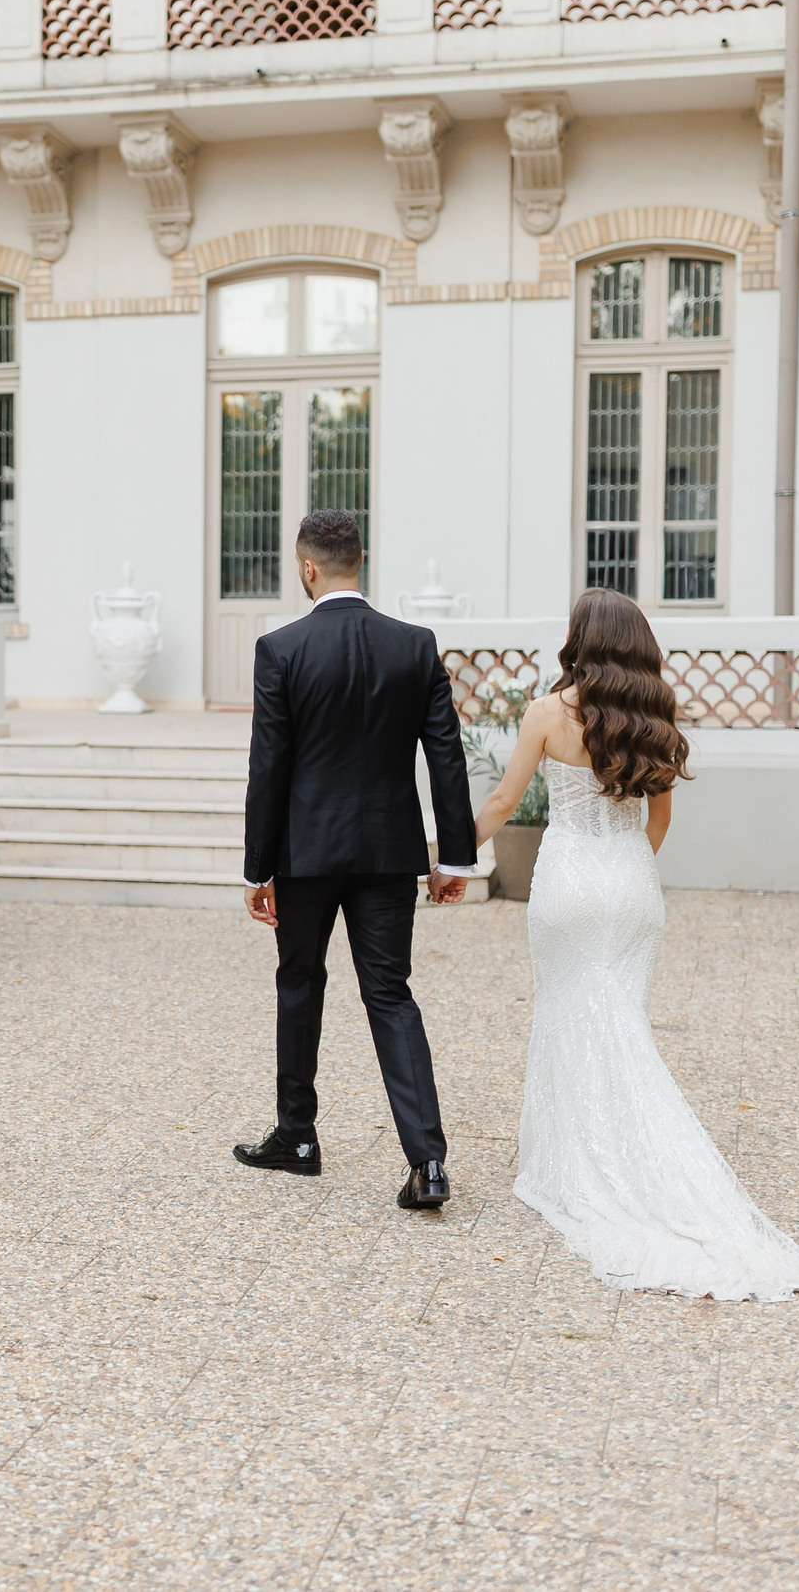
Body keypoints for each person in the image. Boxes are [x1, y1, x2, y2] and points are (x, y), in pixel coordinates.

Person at [474, 587, 799, 1301]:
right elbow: (658, 822)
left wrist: (444, 855)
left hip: (566, 883)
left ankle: (579, 1161)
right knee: (620, 1023)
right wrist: (626, 866)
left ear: (578, 637)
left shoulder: (545, 712)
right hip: (631, 881)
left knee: (569, 1014)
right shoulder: (655, 714)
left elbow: (504, 803)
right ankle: (630, 1162)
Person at [235, 509, 480, 1211]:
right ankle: (427, 1161)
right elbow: (446, 756)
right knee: (390, 994)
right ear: (360, 561)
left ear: (307, 566)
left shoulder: (280, 648)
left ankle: (297, 1135)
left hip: (305, 854)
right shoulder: (414, 644)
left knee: (299, 982)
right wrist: (453, 857)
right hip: (386, 853)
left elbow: (268, 766)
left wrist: (258, 869)